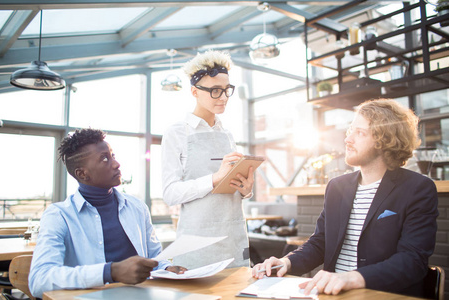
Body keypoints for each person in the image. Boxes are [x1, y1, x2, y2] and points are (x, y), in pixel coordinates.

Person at [252, 99, 438, 298]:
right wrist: (286, 262)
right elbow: (320, 243)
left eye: (360, 133)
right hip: (332, 294)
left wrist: (352, 278)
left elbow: (412, 261)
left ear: (385, 140)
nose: (348, 139)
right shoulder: (337, 186)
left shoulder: (417, 188)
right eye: (350, 130)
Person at [29, 128, 186, 298]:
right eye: (105, 159)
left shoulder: (137, 207)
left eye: (113, 155)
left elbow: (155, 258)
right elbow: (39, 280)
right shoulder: (58, 216)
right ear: (82, 174)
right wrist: (110, 272)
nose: (116, 163)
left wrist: (166, 268)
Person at [161, 50, 254, 269]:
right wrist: (214, 178)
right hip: (196, 246)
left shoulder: (227, 134)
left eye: (226, 90)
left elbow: (232, 188)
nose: (223, 97)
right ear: (194, 91)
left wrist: (246, 190)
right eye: (215, 91)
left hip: (233, 239)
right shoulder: (177, 133)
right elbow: (170, 194)